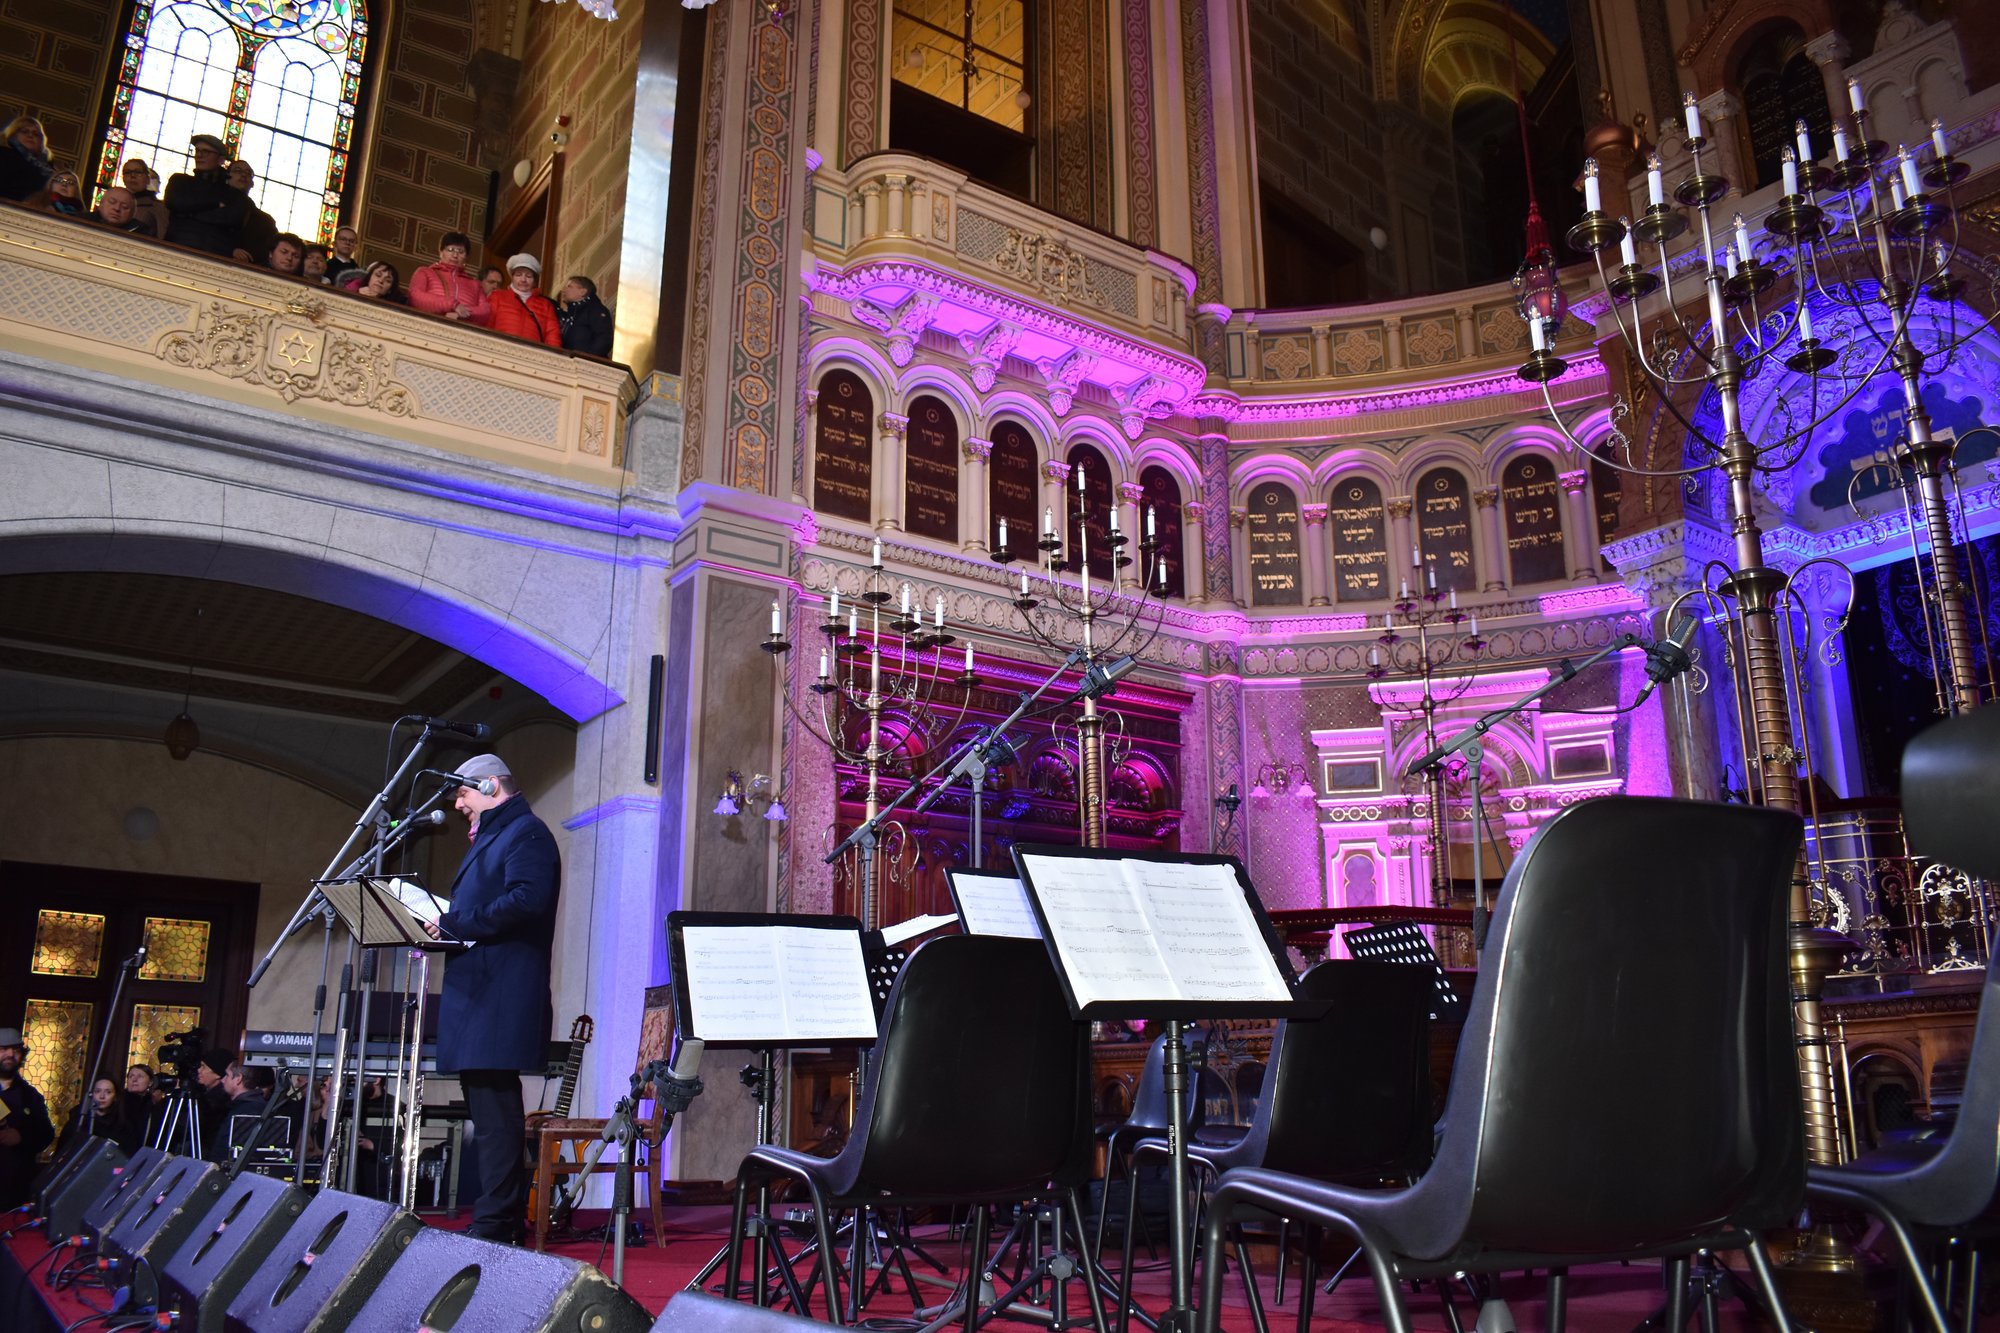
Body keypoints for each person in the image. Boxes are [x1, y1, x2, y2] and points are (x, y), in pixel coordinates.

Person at [425, 752, 558, 1245]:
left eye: (462, 792)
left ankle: (498, 1220)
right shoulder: (499, 832)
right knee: (487, 1107)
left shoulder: (526, 832)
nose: (458, 803)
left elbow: (527, 899)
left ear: (489, 785)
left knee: (497, 1110)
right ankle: (496, 1214)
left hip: (501, 991)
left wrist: (455, 921)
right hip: (482, 989)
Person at [164, 134, 248, 256]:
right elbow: (173, 203)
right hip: (175, 248)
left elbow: (229, 219)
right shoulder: (179, 181)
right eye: (197, 151)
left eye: (206, 152)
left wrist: (186, 212)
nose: (199, 155)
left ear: (221, 159)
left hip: (213, 254)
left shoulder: (235, 195)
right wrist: (215, 204)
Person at [0, 1027, 55, 1209]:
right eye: (3, 1049)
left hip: (13, 1190)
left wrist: (21, 1137)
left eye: (15, 1050)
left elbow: (46, 1134)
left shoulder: (30, 1096)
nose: (10, 1054)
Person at [409, 232, 490, 325]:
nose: (455, 255)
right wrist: (453, 305)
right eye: (450, 250)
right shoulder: (424, 272)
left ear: (466, 257)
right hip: (426, 325)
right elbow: (415, 296)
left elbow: (485, 311)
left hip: (463, 332)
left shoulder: (475, 284)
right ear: (441, 252)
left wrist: (460, 314)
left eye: (461, 251)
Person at [488, 253, 562, 347]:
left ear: (535, 281)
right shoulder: (497, 296)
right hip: (499, 349)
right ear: (512, 277)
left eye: (529, 276)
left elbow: (553, 335)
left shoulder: (546, 305)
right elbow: (487, 324)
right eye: (518, 275)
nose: (523, 279)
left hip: (532, 355)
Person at [206, 1060, 272, 1163]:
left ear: (238, 1079)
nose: (223, 1080)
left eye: (227, 1075)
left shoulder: (246, 1111)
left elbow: (224, 1151)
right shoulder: (255, 1106)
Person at [56, 1076, 137, 1156]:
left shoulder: (123, 1125)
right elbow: (61, 1154)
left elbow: (127, 1156)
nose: (102, 1096)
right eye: (97, 1091)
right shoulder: (78, 1122)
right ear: (91, 1094)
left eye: (108, 1092)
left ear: (115, 1096)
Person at [227, 159, 278, 265]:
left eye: (248, 173)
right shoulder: (212, 204)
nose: (244, 175)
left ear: (252, 183)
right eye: (238, 171)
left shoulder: (265, 222)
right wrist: (229, 250)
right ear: (227, 176)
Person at [556, 275, 613, 357]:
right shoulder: (572, 312)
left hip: (587, 366)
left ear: (583, 292)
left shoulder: (596, 310)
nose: (564, 290)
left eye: (569, 286)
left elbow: (604, 339)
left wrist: (586, 358)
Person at [0, 115, 53, 203]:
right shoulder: (3, 154)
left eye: (36, 134)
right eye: (25, 131)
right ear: (13, 134)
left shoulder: (49, 168)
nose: (30, 135)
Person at [122, 159, 167, 238]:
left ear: (147, 179)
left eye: (138, 172)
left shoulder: (158, 207)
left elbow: (162, 237)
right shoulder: (116, 203)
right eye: (127, 172)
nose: (132, 176)